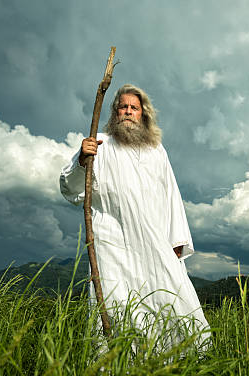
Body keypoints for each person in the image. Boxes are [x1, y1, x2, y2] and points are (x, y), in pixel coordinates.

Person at [59, 83, 209, 351]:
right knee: (116, 305)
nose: (128, 111)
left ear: (143, 114)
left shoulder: (156, 150)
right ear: (115, 113)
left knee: (172, 298)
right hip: (112, 244)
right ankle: (116, 363)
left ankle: (178, 360)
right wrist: (82, 159)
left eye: (134, 108)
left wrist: (176, 240)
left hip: (154, 243)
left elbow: (171, 195)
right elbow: (71, 189)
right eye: (123, 107)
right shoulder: (99, 145)